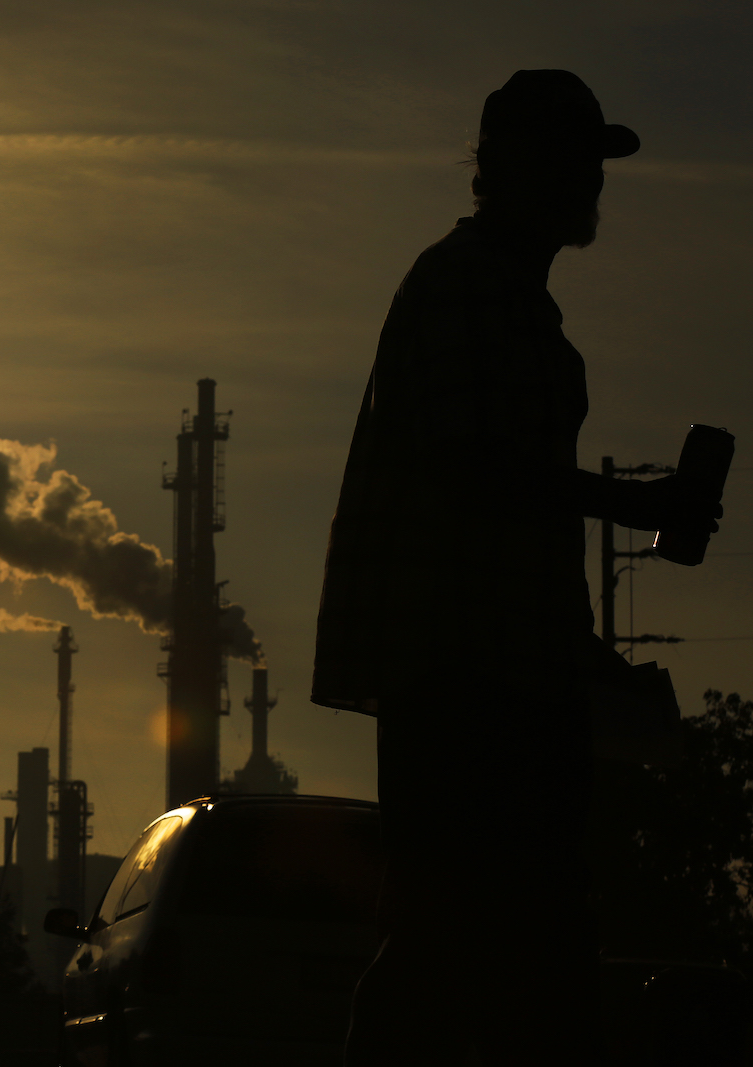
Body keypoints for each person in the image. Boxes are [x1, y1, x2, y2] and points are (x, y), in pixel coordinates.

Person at [311, 71, 720, 1065]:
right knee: (471, 939)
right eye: (576, 161)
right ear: (514, 170)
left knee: (495, 944)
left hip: (499, 672)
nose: (591, 184)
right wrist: (637, 504)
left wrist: (581, 654)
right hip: (463, 682)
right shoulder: (467, 287)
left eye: (595, 162)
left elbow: (503, 519)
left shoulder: (502, 298)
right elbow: (473, 470)